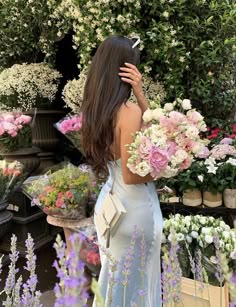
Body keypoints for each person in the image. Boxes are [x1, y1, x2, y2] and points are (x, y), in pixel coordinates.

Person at [81, 35, 163, 307]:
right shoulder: (129, 112)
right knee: (136, 291)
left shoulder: (95, 110)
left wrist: (140, 95)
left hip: (111, 205)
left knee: (114, 285)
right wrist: (164, 171)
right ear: (128, 69)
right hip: (135, 210)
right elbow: (133, 173)